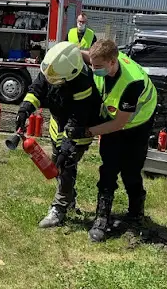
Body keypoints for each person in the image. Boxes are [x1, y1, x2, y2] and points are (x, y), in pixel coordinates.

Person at [65, 39, 158, 242]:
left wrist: (87, 131)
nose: (93, 69)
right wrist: (66, 51)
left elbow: (118, 124)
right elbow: (82, 54)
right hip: (114, 117)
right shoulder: (101, 60)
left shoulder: (132, 83)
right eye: (92, 64)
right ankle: (101, 218)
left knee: (130, 170)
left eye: (97, 67)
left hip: (137, 123)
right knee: (108, 167)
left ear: (112, 62)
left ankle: (135, 214)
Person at [15, 41, 102, 228]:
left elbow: (77, 119)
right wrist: (24, 110)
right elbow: (37, 89)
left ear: (70, 75)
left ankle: (59, 209)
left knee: (66, 165)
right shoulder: (53, 67)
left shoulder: (83, 84)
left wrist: (67, 148)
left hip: (79, 129)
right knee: (57, 166)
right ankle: (69, 198)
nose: (50, 79)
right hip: (58, 123)